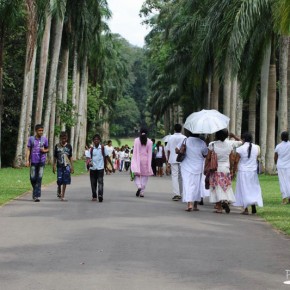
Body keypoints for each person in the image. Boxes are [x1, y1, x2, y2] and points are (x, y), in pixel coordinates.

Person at [177, 130, 208, 211]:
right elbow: (205, 154)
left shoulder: (185, 140)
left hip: (186, 165)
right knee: (196, 185)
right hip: (198, 166)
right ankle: (195, 205)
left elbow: (177, 150)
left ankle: (189, 203)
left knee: (187, 184)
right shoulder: (202, 142)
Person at [206, 129, 236, 213]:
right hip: (226, 168)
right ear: (226, 135)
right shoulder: (230, 145)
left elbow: (208, 158)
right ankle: (225, 200)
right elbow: (231, 159)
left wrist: (206, 166)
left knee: (216, 187)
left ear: (217, 135)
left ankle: (219, 207)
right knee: (225, 186)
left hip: (215, 168)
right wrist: (232, 170)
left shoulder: (213, 145)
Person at [233, 132, 263, 214]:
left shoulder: (241, 148)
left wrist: (233, 170)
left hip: (243, 171)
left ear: (243, 139)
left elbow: (236, 160)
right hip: (253, 171)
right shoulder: (256, 148)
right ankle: (253, 206)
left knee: (244, 189)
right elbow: (256, 157)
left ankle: (245, 209)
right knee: (252, 188)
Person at [87, 134, 115, 202]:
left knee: (100, 182)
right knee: (93, 183)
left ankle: (100, 195)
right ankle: (94, 195)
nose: (96, 140)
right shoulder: (91, 149)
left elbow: (107, 157)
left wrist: (112, 166)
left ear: (99, 140)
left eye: (97, 139)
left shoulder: (103, 148)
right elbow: (88, 158)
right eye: (95, 139)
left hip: (100, 168)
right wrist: (88, 164)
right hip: (93, 169)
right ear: (93, 141)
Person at [25, 124, 49, 202]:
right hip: (33, 161)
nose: (41, 132)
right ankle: (35, 191)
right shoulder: (31, 139)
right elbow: (28, 149)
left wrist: (44, 151)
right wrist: (27, 160)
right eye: (39, 130)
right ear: (36, 131)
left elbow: (47, 149)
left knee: (39, 178)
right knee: (32, 178)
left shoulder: (44, 139)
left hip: (41, 161)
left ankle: (36, 196)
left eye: (42, 130)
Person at [131, 128, 153, 197]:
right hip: (145, 160)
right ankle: (142, 192)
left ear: (140, 132)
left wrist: (133, 161)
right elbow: (150, 154)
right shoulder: (150, 142)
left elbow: (134, 152)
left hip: (137, 159)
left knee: (135, 174)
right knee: (145, 176)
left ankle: (139, 186)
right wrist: (149, 165)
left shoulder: (136, 140)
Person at [166, 124, 186, 201]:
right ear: (181, 129)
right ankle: (182, 193)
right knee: (181, 176)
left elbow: (168, 149)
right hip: (182, 159)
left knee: (174, 176)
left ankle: (176, 194)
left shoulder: (171, 137)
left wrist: (167, 160)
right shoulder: (184, 137)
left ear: (174, 129)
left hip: (173, 158)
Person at [53, 132, 74, 201]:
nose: (64, 140)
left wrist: (72, 166)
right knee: (59, 180)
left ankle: (62, 195)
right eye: (62, 138)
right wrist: (54, 165)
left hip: (67, 166)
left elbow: (70, 157)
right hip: (59, 166)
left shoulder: (69, 146)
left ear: (67, 138)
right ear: (60, 138)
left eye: (65, 138)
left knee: (65, 181)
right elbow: (55, 157)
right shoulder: (57, 146)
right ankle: (59, 187)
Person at [275, 131, 290, 204]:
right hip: (288, 165)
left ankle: (284, 199)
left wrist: (276, 164)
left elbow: (275, 156)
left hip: (280, 166)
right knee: (288, 181)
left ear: (281, 137)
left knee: (282, 182)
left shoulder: (278, 146)